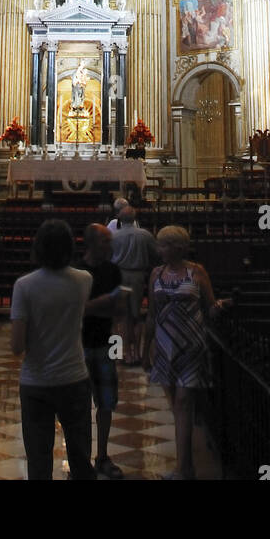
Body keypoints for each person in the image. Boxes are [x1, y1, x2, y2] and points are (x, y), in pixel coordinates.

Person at [10, 219, 96, 481]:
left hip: (36, 382)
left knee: (38, 459)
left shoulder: (24, 286)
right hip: (74, 378)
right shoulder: (84, 279)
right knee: (80, 455)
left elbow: (17, 347)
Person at [142, 225, 224, 480]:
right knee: (177, 406)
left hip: (191, 346)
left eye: (162, 245)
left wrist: (221, 306)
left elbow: (209, 306)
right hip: (166, 348)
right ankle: (185, 467)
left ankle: (185, 468)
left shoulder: (197, 272)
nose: (158, 250)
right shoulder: (156, 273)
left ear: (177, 248)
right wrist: (146, 350)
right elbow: (152, 315)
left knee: (184, 402)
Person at [80, 223, 127, 480]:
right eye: (105, 241)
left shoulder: (112, 271)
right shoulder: (76, 271)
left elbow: (118, 309)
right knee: (79, 405)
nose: (111, 246)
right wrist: (101, 304)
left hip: (105, 343)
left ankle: (102, 455)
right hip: (79, 345)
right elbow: (73, 310)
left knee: (106, 402)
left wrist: (90, 307)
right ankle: (82, 458)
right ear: (91, 244)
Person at [109, 206, 159, 364]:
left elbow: (108, 257)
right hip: (138, 275)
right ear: (135, 217)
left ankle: (120, 353)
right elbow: (156, 255)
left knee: (120, 317)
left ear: (119, 218)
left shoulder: (113, 236)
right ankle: (136, 353)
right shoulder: (144, 235)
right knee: (136, 315)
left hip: (119, 275)